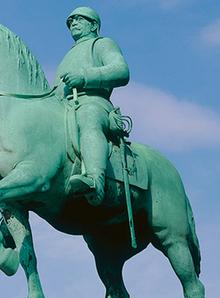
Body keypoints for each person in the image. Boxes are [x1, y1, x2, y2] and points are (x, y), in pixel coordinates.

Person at [56, 6, 130, 206]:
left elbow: (121, 71)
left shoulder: (102, 44)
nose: (73, 24)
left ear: (93, 25)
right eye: (71, 22)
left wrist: (84, 76)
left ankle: (95, 181)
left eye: (79, 19)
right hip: (65, 109)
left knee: (88, 116)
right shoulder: (66, 56)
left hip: (94, 102)